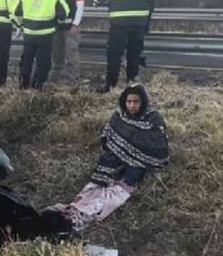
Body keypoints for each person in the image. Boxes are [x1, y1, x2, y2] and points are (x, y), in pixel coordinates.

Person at [43, 84, 168, 233]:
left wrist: (134, 156)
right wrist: (118, 151)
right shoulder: (119, 115)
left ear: (143, 102)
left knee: (122, 187)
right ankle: (74, 209)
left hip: (139, 161)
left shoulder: (153, 118)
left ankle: (86, 215)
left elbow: (158, 145)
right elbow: (108, 135)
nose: (132, 105)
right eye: (129, 101)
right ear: (124, 101)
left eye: (136, 102)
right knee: (99, 181)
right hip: (116, 156)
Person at [94, 0, 155, 93]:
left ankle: (111, 85)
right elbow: (153, 1)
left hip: (120, 21)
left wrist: (97, 2)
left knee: (114, 53)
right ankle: (132, 84)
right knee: (134, 53)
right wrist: (146, 22)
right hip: (140, 21)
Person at [13, 0, 69, 90]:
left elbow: (16, 12)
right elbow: (63, 14)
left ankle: (23, 85)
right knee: (43, 62)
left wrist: (19, 25)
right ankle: (37, 87)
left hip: (29, 34)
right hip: (46, 34)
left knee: (26, 60)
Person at [52, 0, 87, 84]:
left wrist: (75, 24)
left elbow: (80, 8)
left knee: (71, 52)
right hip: (59, 26)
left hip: (70, 26)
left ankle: (73, 77)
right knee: (57, 51)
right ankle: (58, 74)